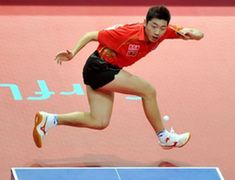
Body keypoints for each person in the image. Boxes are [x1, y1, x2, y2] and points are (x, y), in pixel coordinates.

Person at [33, 5, 204, 149]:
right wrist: (72, 53)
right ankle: (164, 137)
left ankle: (49, 120)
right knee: (148, 91)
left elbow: (198, 34)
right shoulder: (126, 33)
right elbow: (91, 35)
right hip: (99, 67)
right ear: (145, 23)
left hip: (105, 69)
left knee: (99, 121)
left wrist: (192, 32)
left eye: (162, 27)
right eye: (153, 26)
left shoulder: (164, 32)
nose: (157, 32)